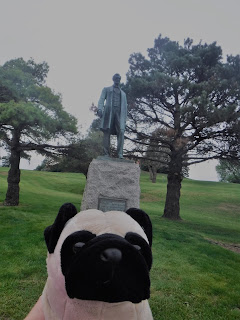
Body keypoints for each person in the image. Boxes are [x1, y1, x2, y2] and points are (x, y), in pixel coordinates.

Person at [97, 73, 127, 159]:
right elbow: (101, 99)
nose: (117, 80)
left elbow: (125, 107)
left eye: (119, 78)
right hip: (108, 112)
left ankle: (120, 153)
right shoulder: (106, 89)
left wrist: (124, 119)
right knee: (107, 132)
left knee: (121, 131)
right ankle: (106, 153)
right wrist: (100, 109)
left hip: (119, 113)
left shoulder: (123, 94)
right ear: (113, 79)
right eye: (116, 78)